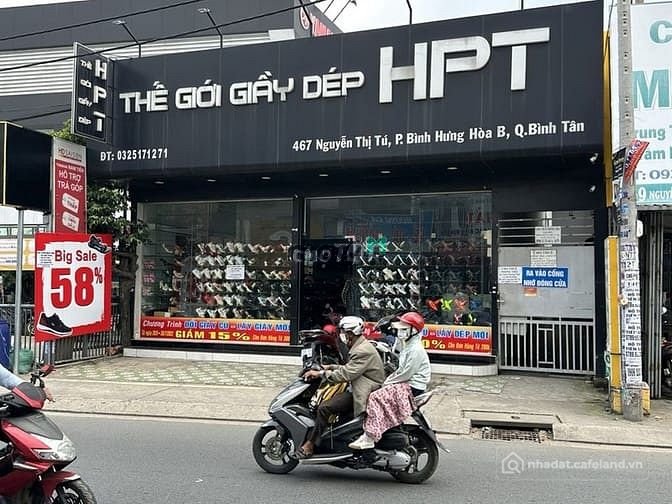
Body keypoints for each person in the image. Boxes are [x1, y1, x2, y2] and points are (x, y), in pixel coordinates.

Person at [295, 315, 385, 459]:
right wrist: (329, 367)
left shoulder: (362, 350)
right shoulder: (360, 346)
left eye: (344, 332)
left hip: (364, 391)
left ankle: (310, 444)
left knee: (324, 408)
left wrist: (321, 374)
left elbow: (346, 374)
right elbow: (351, 368)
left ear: (351, 333)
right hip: (360, 387)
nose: (342, 335)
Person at [349, 311, 430, 450]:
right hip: (407, 383)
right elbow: (401, 368)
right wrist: (389, 380)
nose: (400, 332)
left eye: (404, 329)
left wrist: (388, 382)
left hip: (412, 387)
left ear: (414, 331)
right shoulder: (408, 344)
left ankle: (370, 437)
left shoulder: (415, 349)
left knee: (375, 397)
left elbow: (406, 373)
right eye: (400, 329)